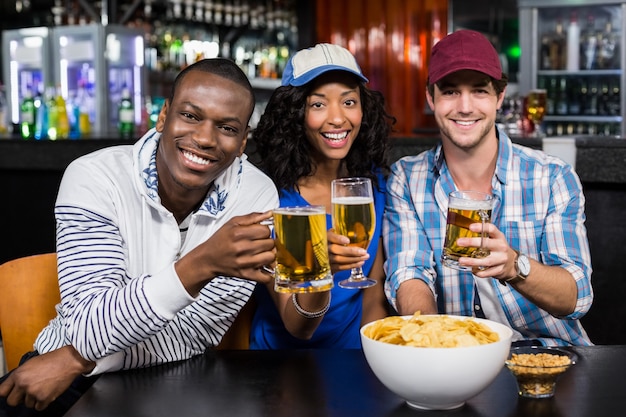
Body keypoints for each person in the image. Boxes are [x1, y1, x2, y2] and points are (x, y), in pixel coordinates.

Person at [0, 58, 279, 416]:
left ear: (243, 142)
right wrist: (202, 265)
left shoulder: (255, 195)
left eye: (226, 128)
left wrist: (76, 357)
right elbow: (88, 326)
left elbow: (195, 332)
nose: (205, 139)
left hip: (171, 377)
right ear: (163, 117)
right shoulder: (94, 177)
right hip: (63, 378)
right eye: (191, 116)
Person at [383, 30, 593, 346]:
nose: (465, 107)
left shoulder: (551, 176)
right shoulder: (406, 177)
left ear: (499, 97)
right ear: (431, 98)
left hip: (550, 354)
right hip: (451, 358)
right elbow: (409, 274)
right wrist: (428, 341)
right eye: (451, 92)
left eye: (479, 91)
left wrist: (514, 266)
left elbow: (577, 297)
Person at [249, 43, 396, 349]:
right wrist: (321, 267)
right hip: (279, 369)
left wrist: (374, 361)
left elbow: (373, 296)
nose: (338, 118)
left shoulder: (374, 185)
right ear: (295, 113)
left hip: (353, 361)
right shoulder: (270, 198)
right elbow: (297, 326)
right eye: (318, 105)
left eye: (349, 102)